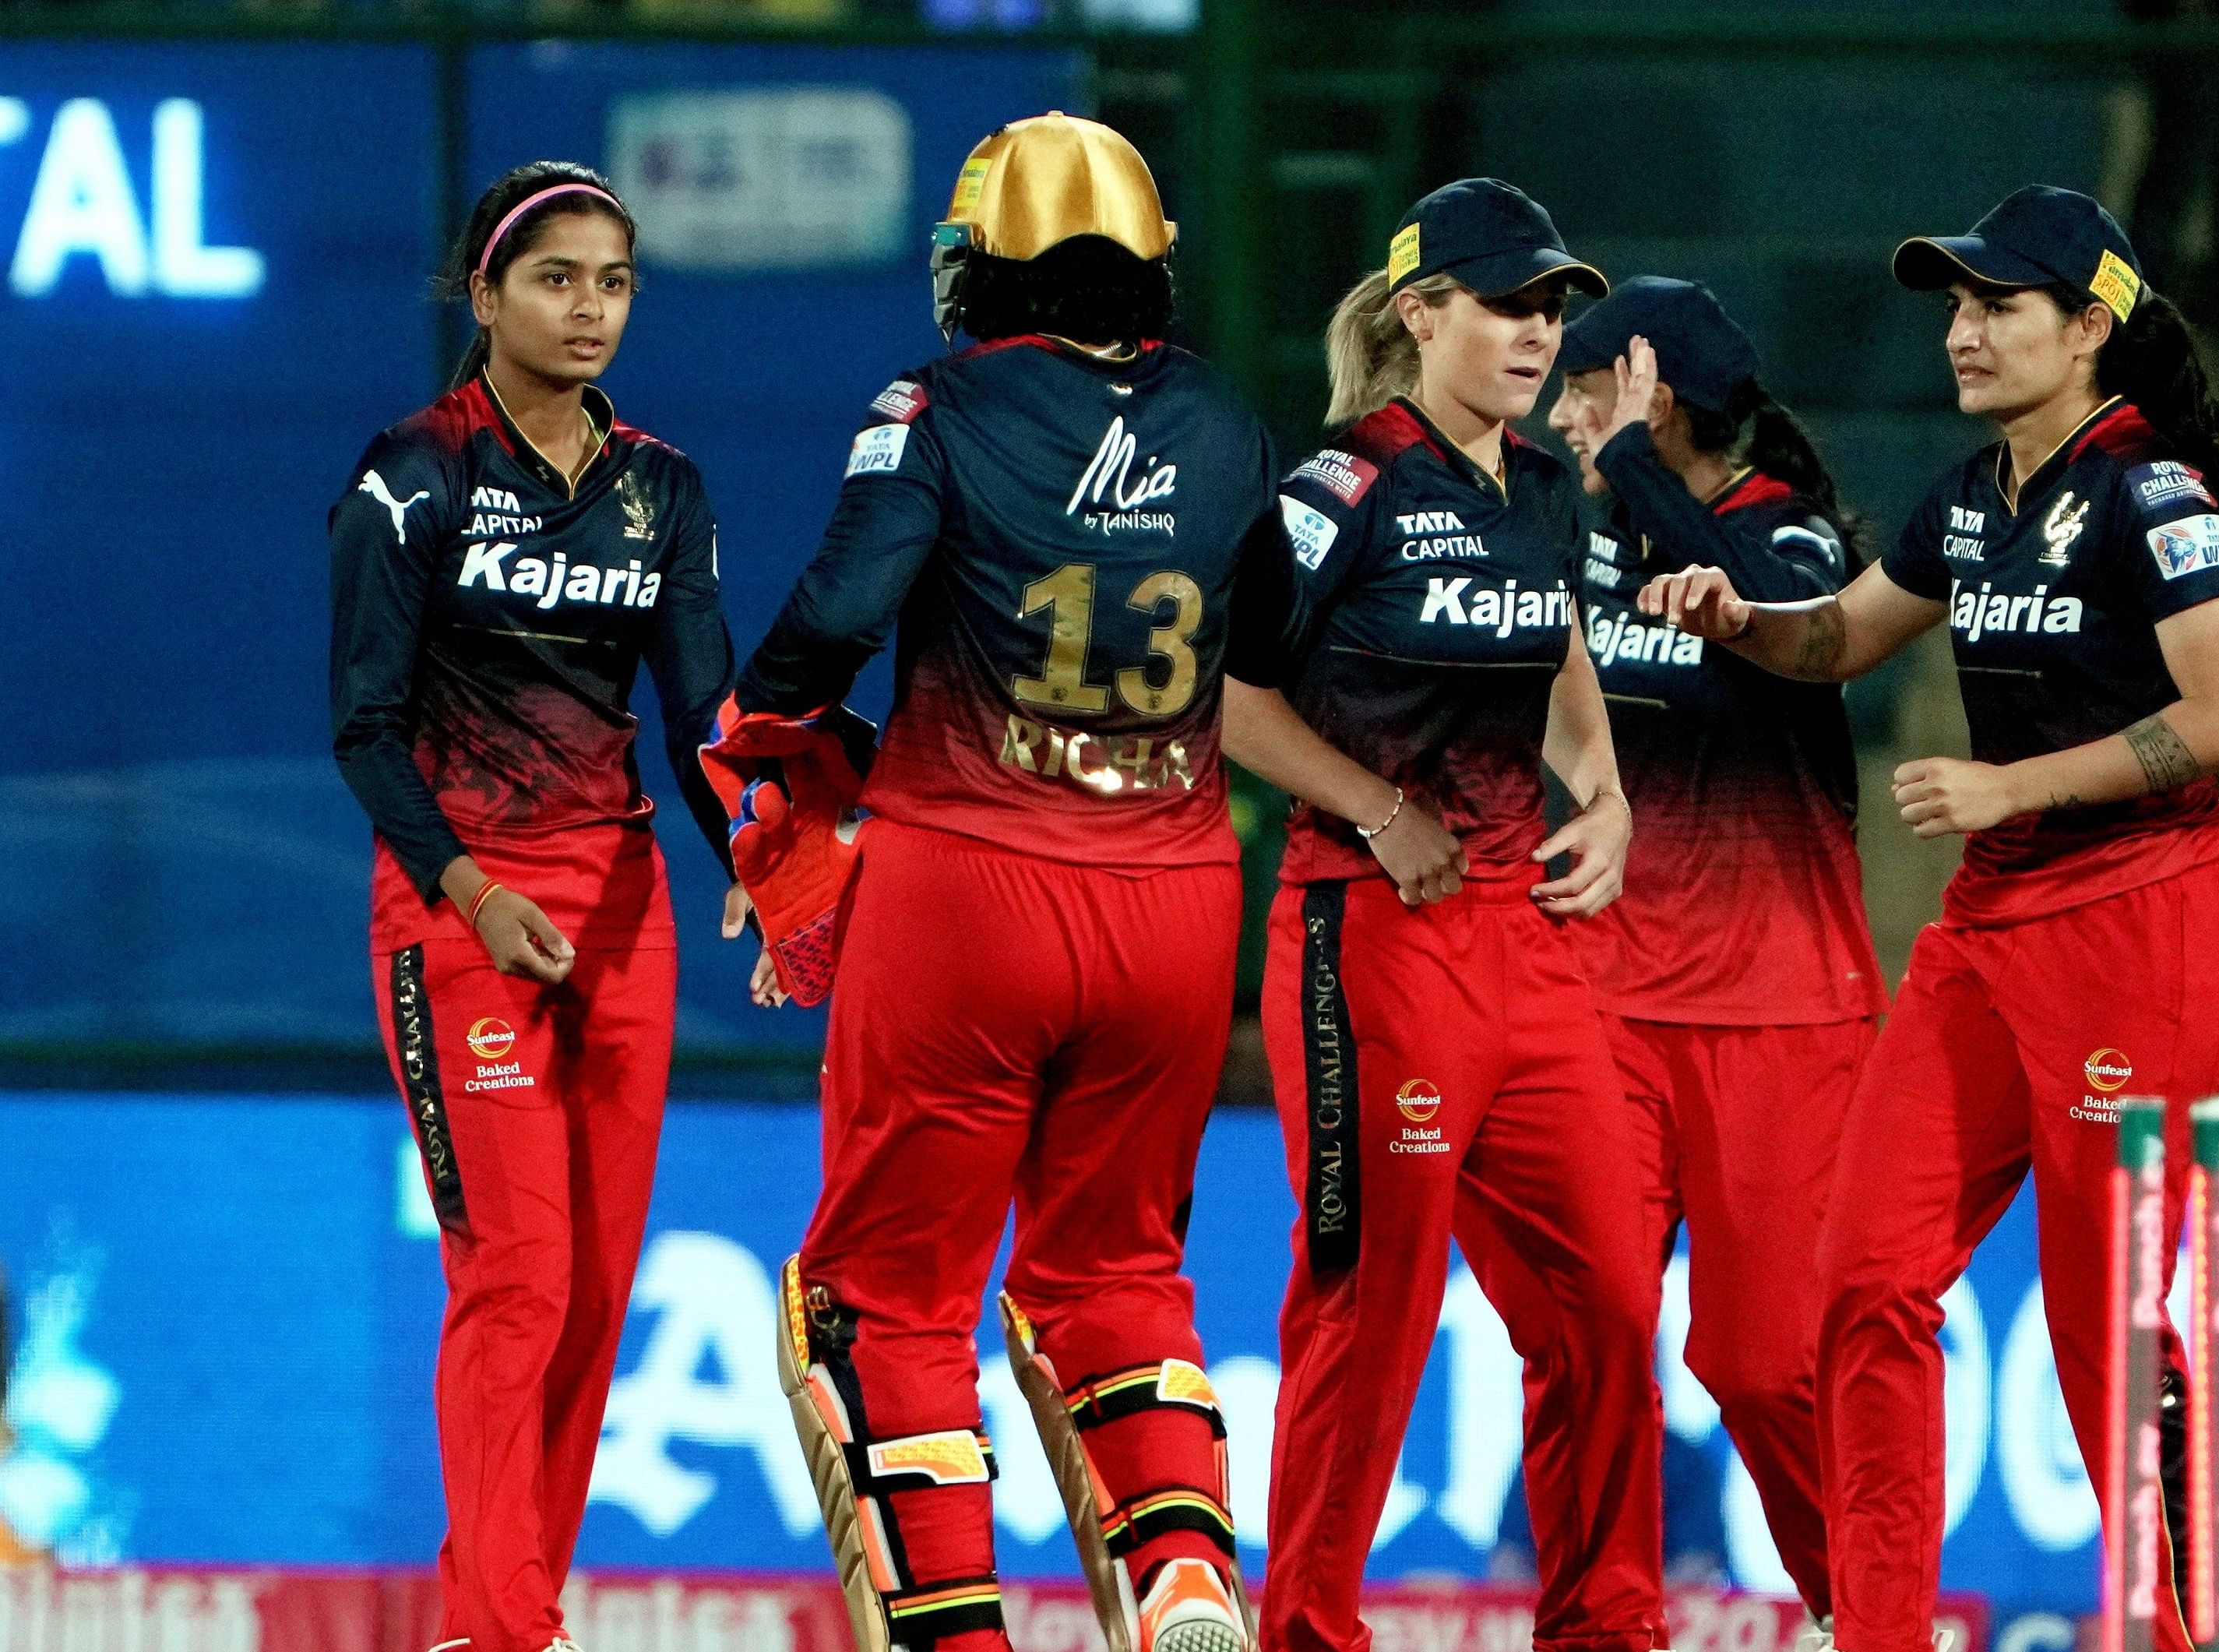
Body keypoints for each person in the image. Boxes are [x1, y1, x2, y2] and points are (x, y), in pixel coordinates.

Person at [1643, 185, 2219, 1652]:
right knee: (1859, 1279)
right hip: (1991, 936)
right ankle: (1879, 1630)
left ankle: (2169, 1633)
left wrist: (2017, 783)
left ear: (2092, 327)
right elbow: (1846, 635)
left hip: (2140, 926)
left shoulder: (2149, 492)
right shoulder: (1977, 490)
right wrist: (1741, 619)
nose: (1964, 331)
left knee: (2098, 1329)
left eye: (1999, 306)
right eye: (1957, 304)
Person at [723, 117, 1275, 1652]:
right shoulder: (1227, 420)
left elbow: (824, 624)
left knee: (878, 1298)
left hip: (969, 884)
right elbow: (1273, 652)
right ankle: (1179, 1573)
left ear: (982, 269)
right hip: (1175, 896)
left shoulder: (935, 405)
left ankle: (956, 1633)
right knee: (1115, 1272)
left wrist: (784, 775)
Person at [1219, 178, 1663, 1652]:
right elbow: (1226, 700)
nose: (1539, 332)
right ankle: (1310, 1630)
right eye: (1506, 303)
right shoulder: (1337, 488)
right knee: (1376, 1298)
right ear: (1422, 315)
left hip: (1520, 947)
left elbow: (1560, 655)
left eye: (1551, 307)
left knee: (1605, 1287)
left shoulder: (1541, 488)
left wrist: (1600, 798)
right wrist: (1375, 808)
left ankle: (1606, 1624)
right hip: (1366, 934)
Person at [328, 162, 744, 1652]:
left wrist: (770, 865)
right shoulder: (412, 473)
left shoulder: (664, 486)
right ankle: (497, 1628)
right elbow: (364, 731)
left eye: (614, 283)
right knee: (517, 1275)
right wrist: (472, 888)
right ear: (487, 294)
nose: (589, 309)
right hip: (460, 915)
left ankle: (519, 1611)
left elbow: (707, 721)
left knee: (591, 1294)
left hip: (620, 912)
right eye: (557, 278)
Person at [1540, 277, 1881, 1628]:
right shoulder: (1587, 541)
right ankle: (1599, 1627)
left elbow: (1779, 634)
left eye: (1583, 391)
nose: (1560, 417)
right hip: (1603, 1003)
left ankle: (1869, 1608)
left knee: (1761, 1366)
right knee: (1590, 1337)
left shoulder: (1797, 544)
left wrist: (1626, 464)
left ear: (1648, 400)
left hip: (1780, 1013)